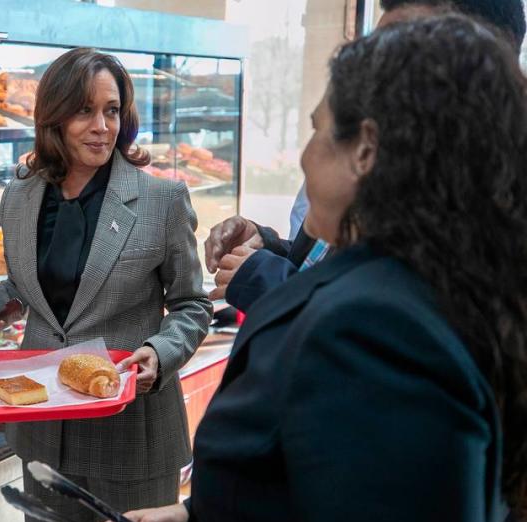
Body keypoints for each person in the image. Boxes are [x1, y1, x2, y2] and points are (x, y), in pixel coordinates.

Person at [101, 14, 527, 522]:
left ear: (367, 151)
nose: (302, 158)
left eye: (318, 132)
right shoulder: (415, 286)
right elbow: (333, 498)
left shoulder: (373, 334)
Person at [0, 48, 211, 522]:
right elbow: (28, 287)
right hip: (45, 422)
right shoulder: (20, 197)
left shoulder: (161, 201)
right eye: (85, 112)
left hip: (132, 421)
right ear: (54, 118)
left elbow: (193, 306)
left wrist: (157, 354)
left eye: (113, 111)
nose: (102, 127)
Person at [205, 0, 527, 313]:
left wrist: (268, 281)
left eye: (400, 51)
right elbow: (323, 264)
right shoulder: (371, 175)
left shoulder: (471, 227)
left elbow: (371, 320)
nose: (373, 75)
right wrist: (268, 246)